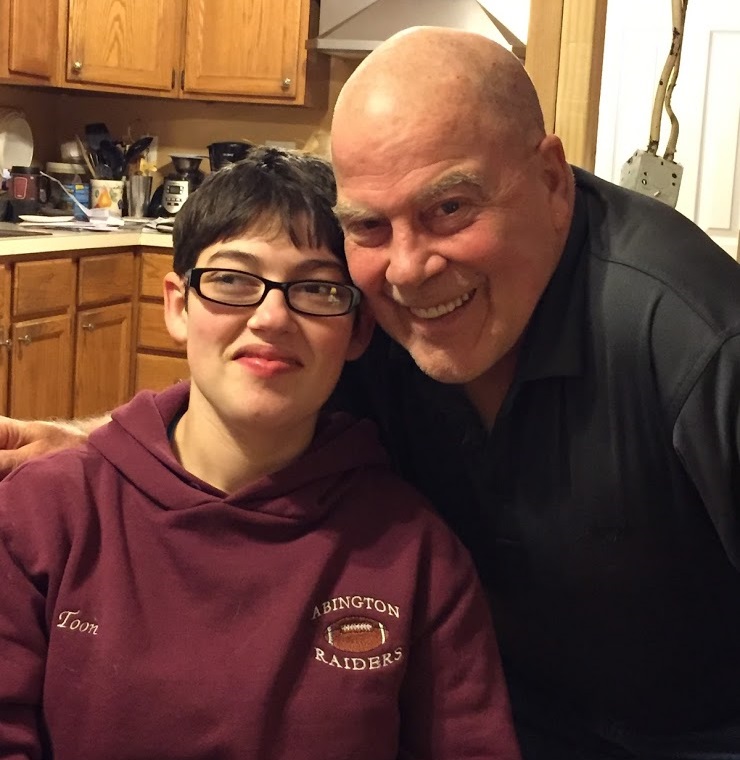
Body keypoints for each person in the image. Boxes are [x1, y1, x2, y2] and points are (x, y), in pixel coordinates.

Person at [0, 25, 738, 760]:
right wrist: (112, 446)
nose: (410, 269)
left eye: (449, 207)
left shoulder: (697, 343)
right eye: (370, 225)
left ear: (549, 180)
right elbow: (248, 389)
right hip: (511, 703)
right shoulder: (374, 306)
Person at [0, 147, 522, 759]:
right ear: (177, 304)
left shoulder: (416, 556)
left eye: (318, 289)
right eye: (231, 280)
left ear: (358, 330)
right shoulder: (41, 519)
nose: (272, 317)